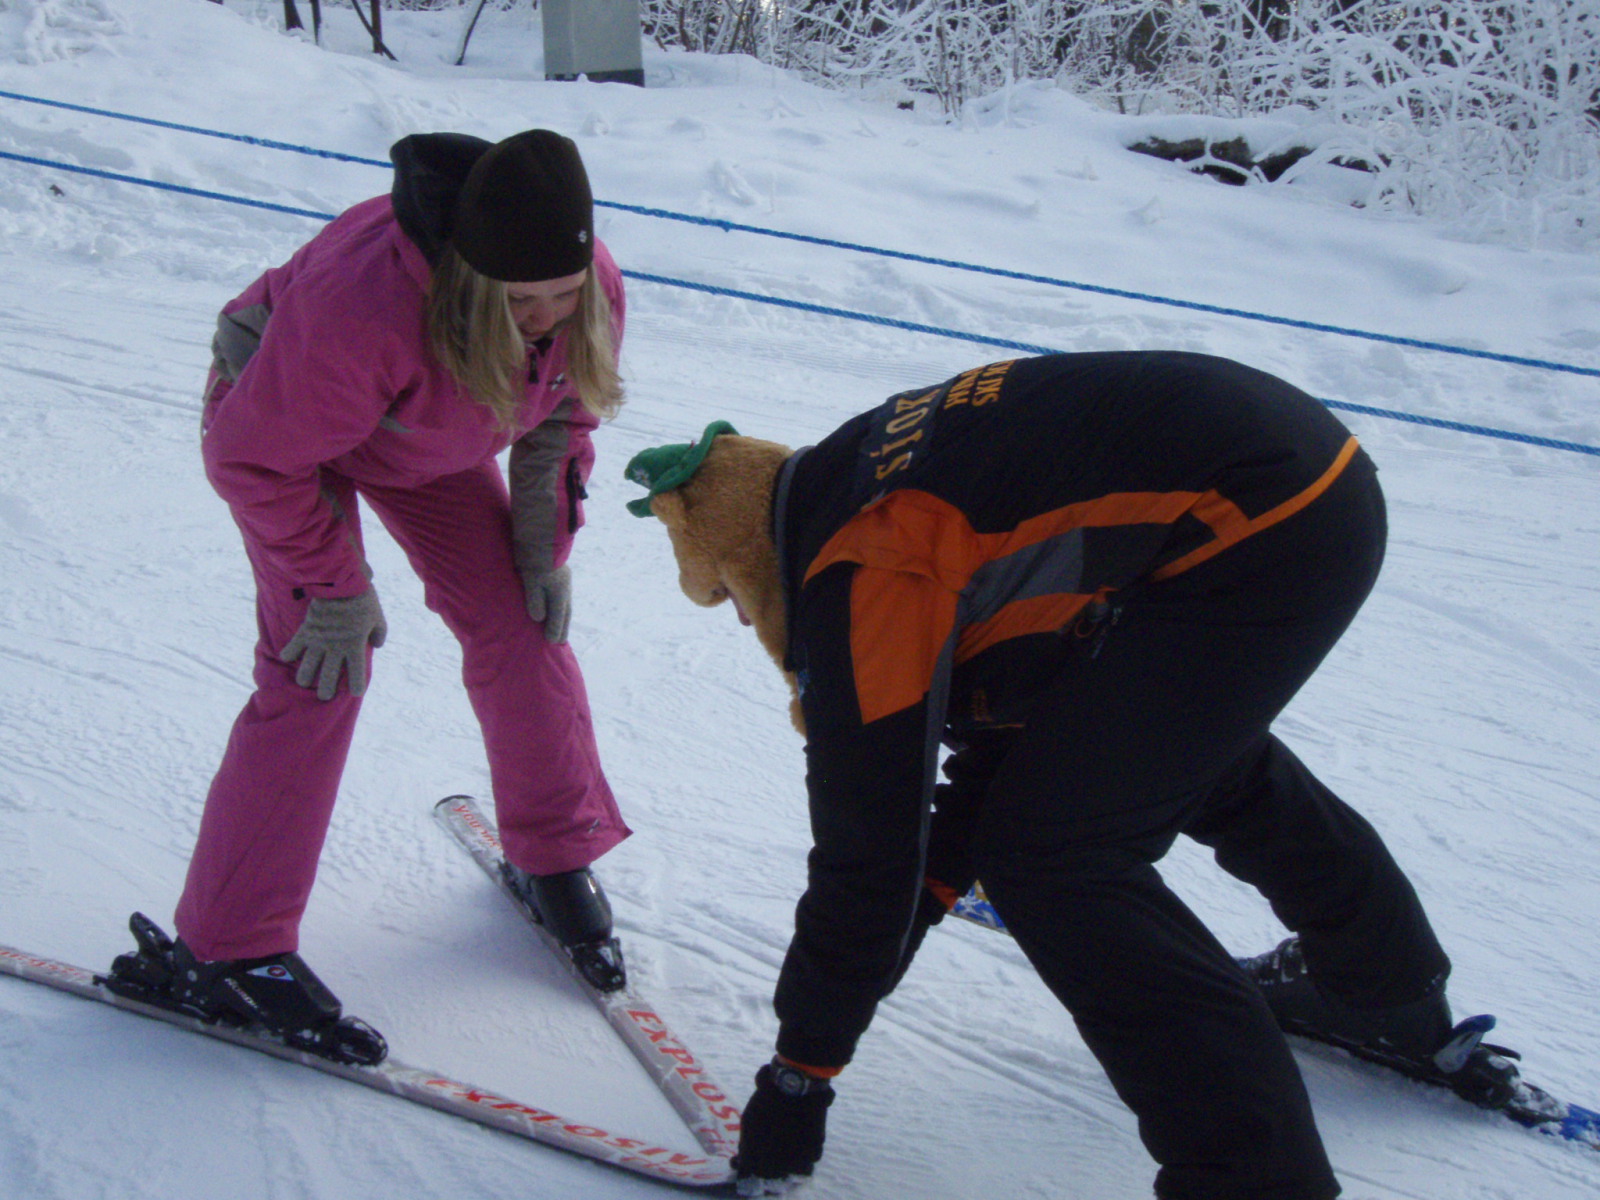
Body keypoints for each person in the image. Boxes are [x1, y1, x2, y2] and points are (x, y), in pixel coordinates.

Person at [622, 352, 1520, 1200]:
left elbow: (870, 851)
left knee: (1054, 858)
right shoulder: (848, 478)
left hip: (1258, 521)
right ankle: (1384, 990)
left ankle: (1254, 1180)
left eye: (727, 595)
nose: (743, 623)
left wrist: (798, 1079)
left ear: (748, 558)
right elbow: (991, 775)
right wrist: (907, 910)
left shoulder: (866, 566)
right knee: (1170, 753)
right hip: (1297, 477)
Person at [105, 129, 633, 1064]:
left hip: (423, 433)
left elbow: (566, 413)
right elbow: (252, 457)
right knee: (322, 666)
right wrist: (332, 590)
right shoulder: (366, 308)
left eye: (565, 292)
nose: (550, 316)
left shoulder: (586, 282)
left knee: (522, 624)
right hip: (281, 426)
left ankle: (551, 847)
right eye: (523, 302)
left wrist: (542, 544)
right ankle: (228, 947)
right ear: (469, 278)